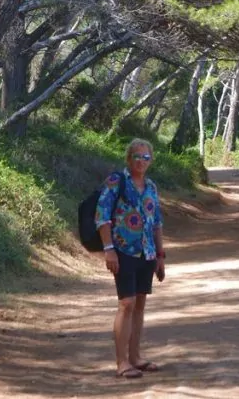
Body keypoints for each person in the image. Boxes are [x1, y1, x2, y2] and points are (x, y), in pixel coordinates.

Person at [95, 138, 166, 379]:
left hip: (146, 253)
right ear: (129, 158)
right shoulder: (117, 181)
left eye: (146, 157)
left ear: (151, 160)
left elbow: (156, 223)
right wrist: (108, 249)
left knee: (139, 305)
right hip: (123, 251)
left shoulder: (151, 187)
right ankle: (122, 362)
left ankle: (136, 357)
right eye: (137, 156)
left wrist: (160, 255)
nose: (141, 161)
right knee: (126, 304)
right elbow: (102, 216)